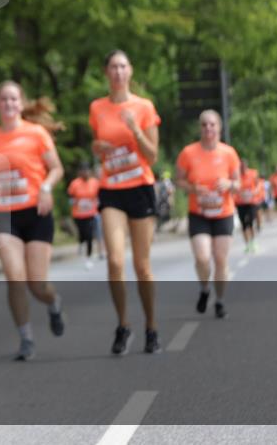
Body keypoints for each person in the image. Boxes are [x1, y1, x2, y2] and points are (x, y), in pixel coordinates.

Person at [0, 83, 66, 360]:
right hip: (5, 215)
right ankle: (26, 338)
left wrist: (46, 188)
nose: (8, 103)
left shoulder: (36, 134)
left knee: (37, 285)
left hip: (37, 213)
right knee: (15, 278)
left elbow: (56, 168)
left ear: (21, 102)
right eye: (3, 99)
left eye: (13, 99)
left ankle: (53, 303)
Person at [89, 49, 162, 355]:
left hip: (140, 188)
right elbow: (96, 146)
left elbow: (153, 156)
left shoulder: (143, 107)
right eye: (113, 67)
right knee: (115, 261)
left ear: (130, 71)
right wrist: (98, 147)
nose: (118, 72)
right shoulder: (97, 107)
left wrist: (134, 130)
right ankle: (123, 325)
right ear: (106, 72)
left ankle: (152, 327)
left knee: (142, 266)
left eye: (123, 66)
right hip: (112, 190)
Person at [175, 110, 241, 319]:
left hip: (223, 213)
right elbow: (179, 181)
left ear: (219, 128)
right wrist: (193, 189)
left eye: (212, 125)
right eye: (204, 125)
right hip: (199, 213)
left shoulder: (229, 153)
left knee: (220, 260)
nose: (208, 129)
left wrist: (229, 184)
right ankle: (205, 289)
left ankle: (220, 301)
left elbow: (238, 184)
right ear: (200, 128)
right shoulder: (188, 153)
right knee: (202, 258)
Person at [68, 163, 101, 266]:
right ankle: (81, 243)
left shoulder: (95, 183)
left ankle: (89, 257)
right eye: (83, 171)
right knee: (83, 233)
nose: (85, 173)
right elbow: (70, 197)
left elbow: (99, 195)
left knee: (89, 234)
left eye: (87, 170)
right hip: (79, 214)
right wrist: (74, 202)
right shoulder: (75, 183)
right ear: (80, 172)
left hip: (92, 213)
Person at [235, 160, 259, 254]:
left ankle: (253, 242)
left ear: (246, 166)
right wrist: (238, 194)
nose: (242, 169)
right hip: (240, 203)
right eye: (241, 167)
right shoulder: (236, 176)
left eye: (244, 167)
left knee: (250, 222)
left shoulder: (253, 173)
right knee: (244, 225)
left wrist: (254, 192)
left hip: (251, 202)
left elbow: (258, 185)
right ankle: (247, 244)